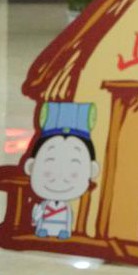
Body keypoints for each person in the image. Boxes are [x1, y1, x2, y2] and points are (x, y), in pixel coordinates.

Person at [25, 102, 99, 239]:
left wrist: (66, 230)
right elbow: (37, 217)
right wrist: (36, 218)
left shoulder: (65, 208)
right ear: (30, 166)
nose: (60, 179)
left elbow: (68, 219)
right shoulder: (44, 205)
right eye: (48, 172)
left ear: (92, 170)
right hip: (44, 228)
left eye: (73, 174)